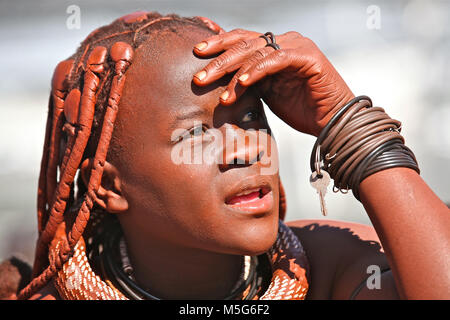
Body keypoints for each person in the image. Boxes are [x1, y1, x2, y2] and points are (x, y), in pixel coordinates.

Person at [7, 11, 449, 300]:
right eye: (197, 133)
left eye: (253, 118)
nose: (246, 147)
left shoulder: (328, 269)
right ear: (108, 185)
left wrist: (345, 121)